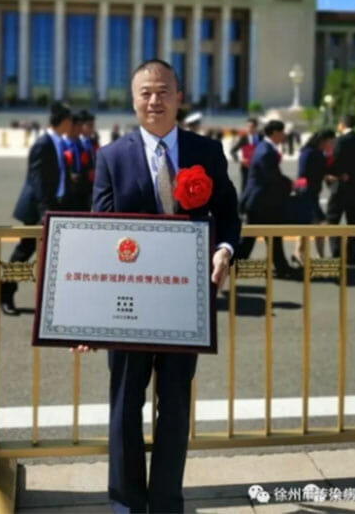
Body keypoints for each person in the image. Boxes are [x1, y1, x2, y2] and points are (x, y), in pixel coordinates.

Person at [92, 58, 240, 513]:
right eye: (145, 93)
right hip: (129, 306)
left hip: (183, 303)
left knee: (175, 405)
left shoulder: (206, 152)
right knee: (124, 405)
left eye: (163, 91)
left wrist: (225, 249)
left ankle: (166, 502)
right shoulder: (112, 157)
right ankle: (126, 503)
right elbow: (98, 233)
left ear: (179, 97)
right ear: (133, 100)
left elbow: (229, 215)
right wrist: (86, 314)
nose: (154, 100)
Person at [1, 101, 72, 315]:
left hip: (52, 206)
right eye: (70, 121)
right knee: (23, 253)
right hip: (37, 209)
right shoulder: (43, 144)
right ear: (64, 121)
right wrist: (45, 212)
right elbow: (37, 180)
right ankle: (5, 295)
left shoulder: (59, 142)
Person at [237, 120, 297, 277]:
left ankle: (281, 267)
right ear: (275, 133)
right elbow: (272, 177)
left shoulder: (264, 147)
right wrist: (291, 184)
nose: (284, 135)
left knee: (269, 236)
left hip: (263, 201)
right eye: (282, 132)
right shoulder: (266, 152)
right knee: (254, 238)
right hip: (260, 202)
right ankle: (230, 264)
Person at [326, 114, 355, 264]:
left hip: (340, 184)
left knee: (333, 219)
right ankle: (352, 256)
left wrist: (337, 175)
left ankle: (337, 253)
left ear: (342, 124)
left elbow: (335, 160)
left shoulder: (339, 140)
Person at [292, 129, 336, 265]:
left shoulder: (319, 153)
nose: (332, 145)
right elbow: (302, 173)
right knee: (319, 223)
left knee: (307, 224)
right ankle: (312, 255)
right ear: (323, 141)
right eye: (331, 142)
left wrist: (326, 176)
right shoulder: (308, 152)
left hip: (313, 193)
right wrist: (323, 176)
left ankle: (300, 253)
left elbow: (322, 171)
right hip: (306, 193)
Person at [230, 117, 261, 192]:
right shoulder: (244, 138)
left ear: (256, 127)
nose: (249, 129)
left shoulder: (261, 138)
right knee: (245, 186)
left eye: (251, 127)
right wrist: (240, 160)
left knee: (258, 187)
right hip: (246, 167)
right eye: (248, 127)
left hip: (258, 167)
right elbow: (233, 151)